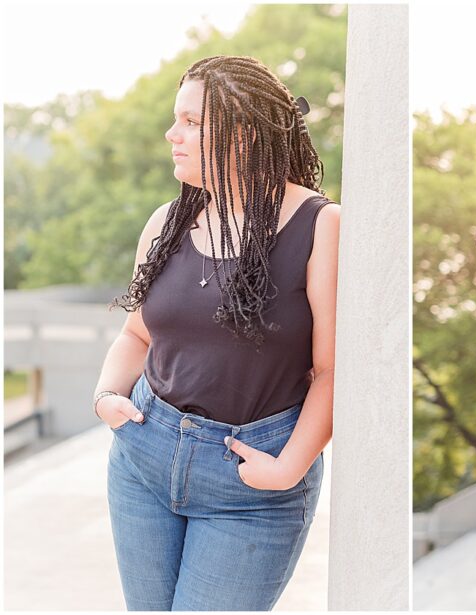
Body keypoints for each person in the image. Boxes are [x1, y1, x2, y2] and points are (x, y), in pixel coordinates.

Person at [93, 55, 341, 611]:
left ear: (244, 134)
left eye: (191, 121)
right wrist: (106, 395)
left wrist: (288, 468)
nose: (171, 134)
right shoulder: (166, 220)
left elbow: (331, 370)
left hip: (250, 485)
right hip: (143, 459)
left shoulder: (322, 225)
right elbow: (137, 334)